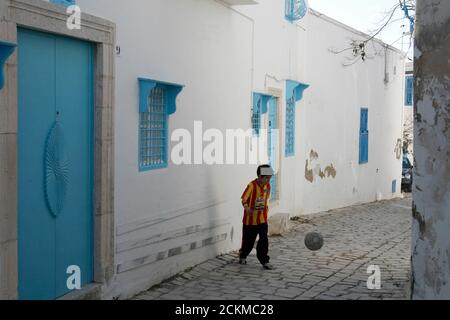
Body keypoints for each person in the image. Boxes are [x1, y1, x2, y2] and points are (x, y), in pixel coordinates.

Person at [239, 164, 274, 270]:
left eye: (269, 178)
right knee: (248, 243)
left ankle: (264, 261)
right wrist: (247, 208)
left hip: (262, 219)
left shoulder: (268, 186)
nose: (268, 180)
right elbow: (244, 199)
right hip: (250, 221)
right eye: (266, 178)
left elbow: (266, 199)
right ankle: (243, 255)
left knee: (264, 239)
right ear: (259, 176)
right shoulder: (251, 185)